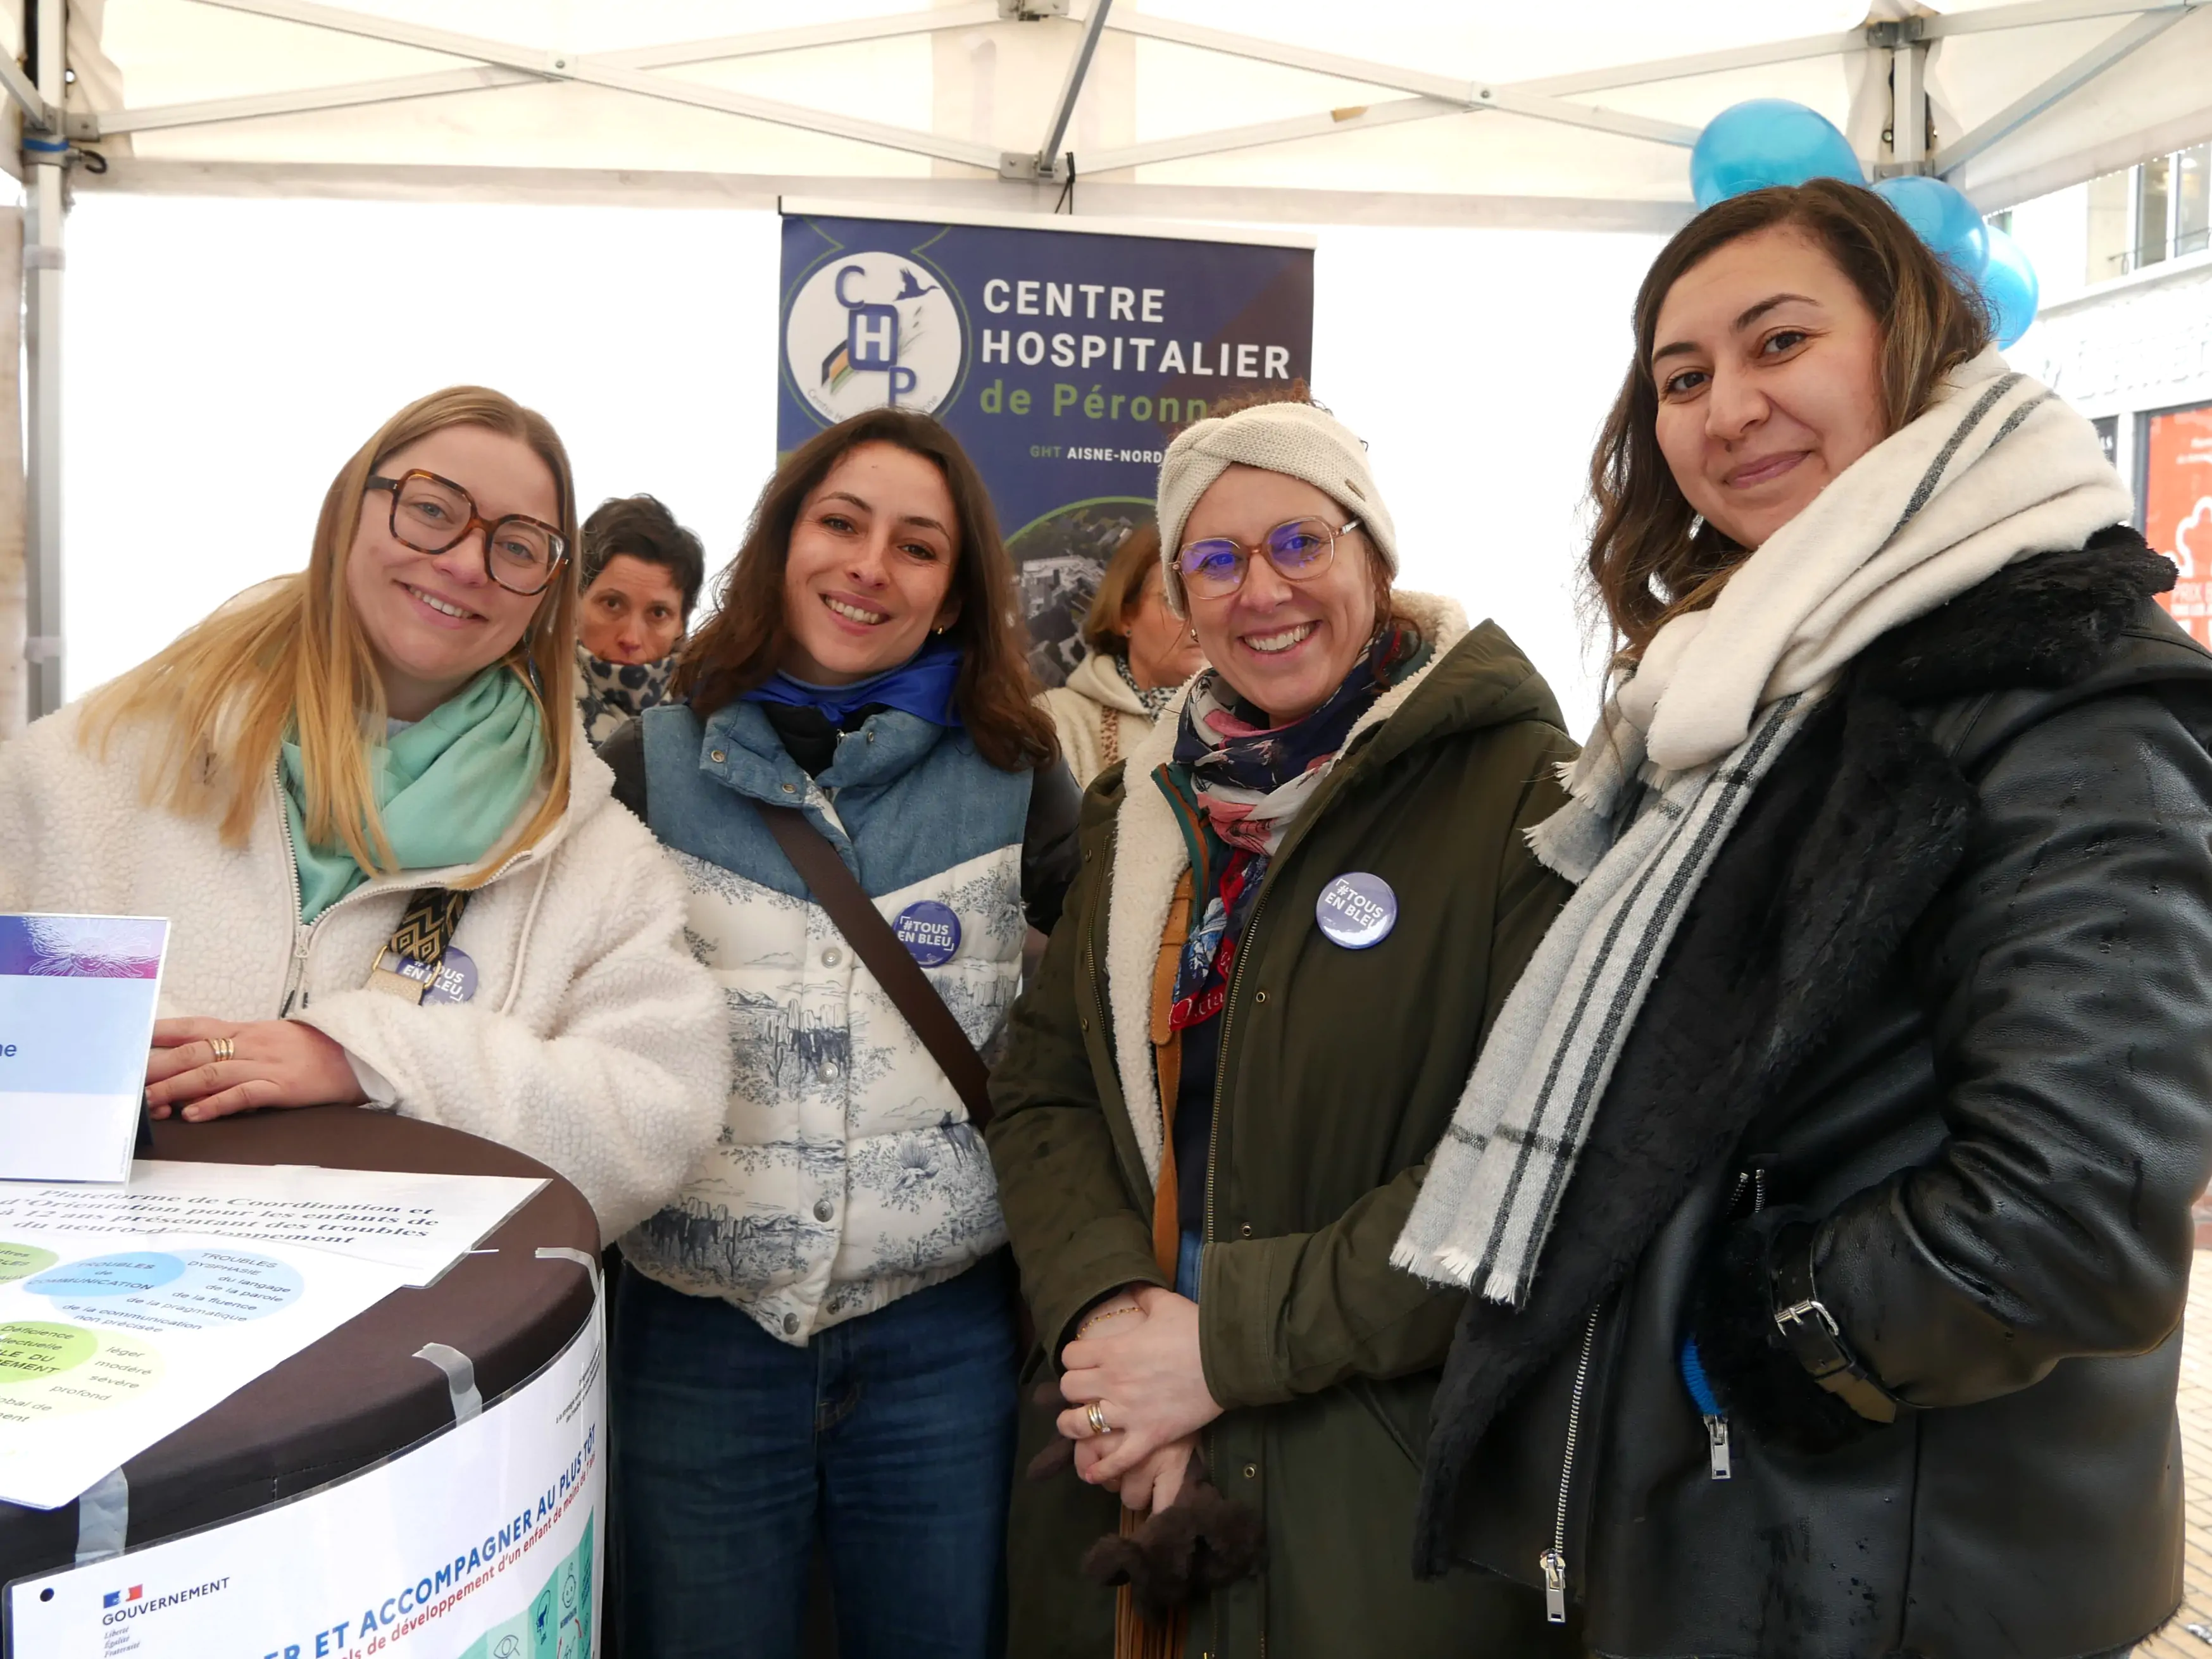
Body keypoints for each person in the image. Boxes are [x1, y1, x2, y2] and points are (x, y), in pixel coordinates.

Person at [1394, 179, 2212, 1659]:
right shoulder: (1744, 686)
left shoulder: (2056, 681)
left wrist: (1767, 1335)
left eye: (1780, 343)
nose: (1727, 409)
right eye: (1683, 377)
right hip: (1733, 1536)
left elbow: (2081, 1204)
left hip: (1894, 1562)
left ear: (1912, 352)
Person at [986, 392, 1583, 1658]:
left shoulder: (1524, 796)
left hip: (1374, 1466)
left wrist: (1223, 1350)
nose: (1262, 591)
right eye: (1215, 559)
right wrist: (1111, 1322)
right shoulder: (1140, 810)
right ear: (1181, 596)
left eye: (1300, 544)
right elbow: (1041, 1094)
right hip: (1121, 1425)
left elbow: (1534, 1165)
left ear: (1372, 553)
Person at [0, 386, 728, 1241]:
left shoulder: (584, 850)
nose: (464, 562)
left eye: (518, 545)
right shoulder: (106, 763)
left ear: (545, 591)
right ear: (350, 508)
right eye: (431, 509)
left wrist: (368, 1058)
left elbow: (658, 1111)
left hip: (404, 1360)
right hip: (109, 1334)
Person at [600, 407, 1080, 1659]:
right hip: (695, 1334)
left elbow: (1103, 1013)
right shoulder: (645, 764)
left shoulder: (1015, 770)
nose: (870, 566)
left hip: (939, 1342)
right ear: (782, 541)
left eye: (918, 547)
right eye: (840, 523)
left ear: (955, 591)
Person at [1040, 523, 1208, 787]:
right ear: (1123, 616)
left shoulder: (1259, 714)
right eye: (1175, 601)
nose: (1199, 618)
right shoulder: (1056, 722)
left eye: (1208, 599)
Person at [576, 492, 707, 749]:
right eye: (612, 604)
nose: (631, 639)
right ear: (574, 601)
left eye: (658, 613)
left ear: (682, 622)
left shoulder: (714, 721)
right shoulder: (523, 704)